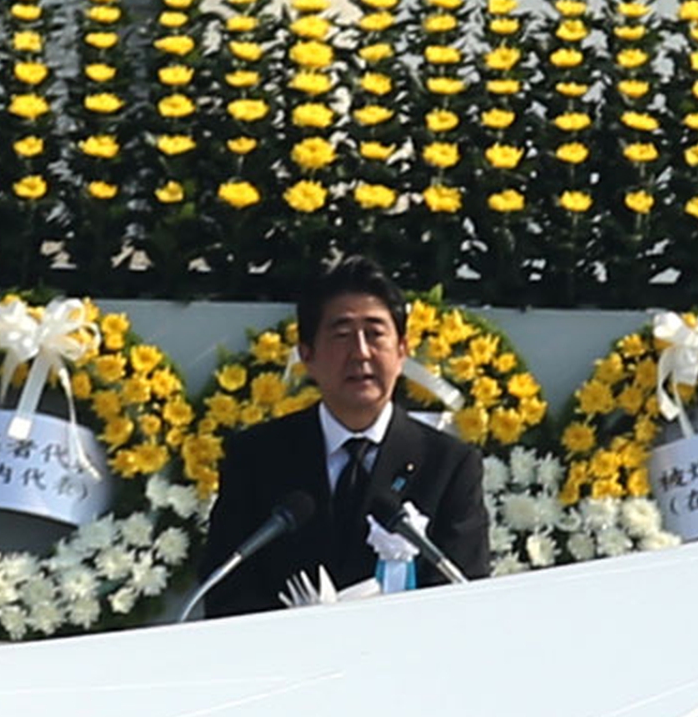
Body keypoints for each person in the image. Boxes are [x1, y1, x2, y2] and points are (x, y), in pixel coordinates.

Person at [198, 256, 490, 617]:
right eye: (342, 334)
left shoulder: (449, 465)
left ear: (402, 351)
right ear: (307, 355)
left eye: (375, 333)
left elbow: (465, 596)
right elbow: (227, 594)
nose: (361, 352)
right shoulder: (256, 458)